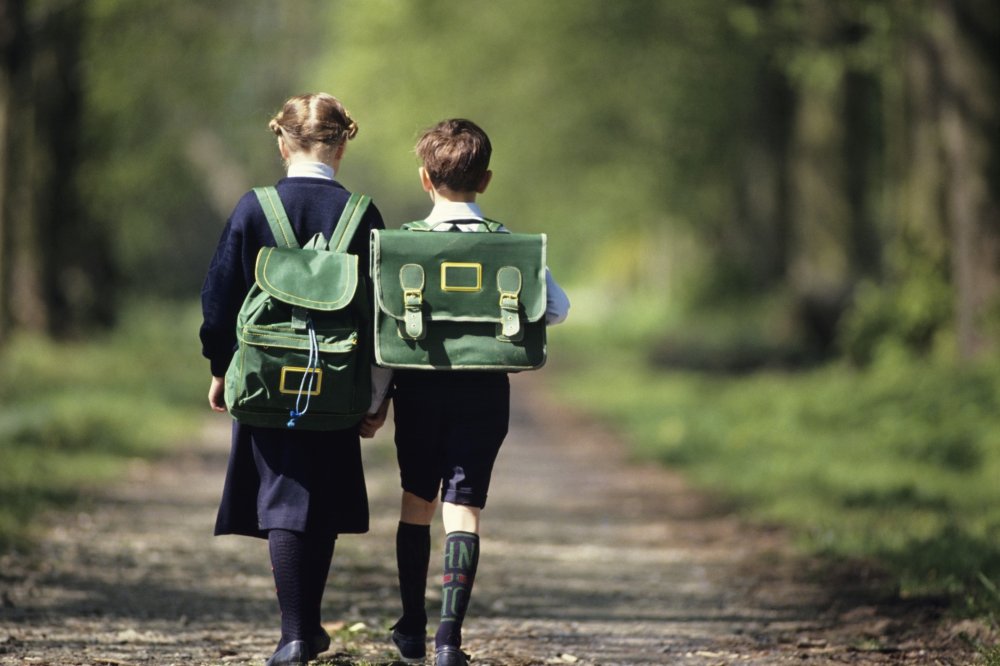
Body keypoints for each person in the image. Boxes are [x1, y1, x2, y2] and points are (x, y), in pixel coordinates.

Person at [200, 93, 391, 666]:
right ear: (344, 143)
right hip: (337, 381)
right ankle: (305, 628)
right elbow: (383, 316)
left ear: (281, 142)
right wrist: (377, 396)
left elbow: (219, 298)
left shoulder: (254, 209)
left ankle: (295, 633)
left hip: (264, 378)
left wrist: (220, 367)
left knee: (282, 498)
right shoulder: (363, 213)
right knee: (321, 500)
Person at [380, 119, 570, 666]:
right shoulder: (510, 247)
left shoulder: (402, 248)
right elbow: (556, 309)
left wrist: (374, 404)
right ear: (485, 181)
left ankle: (411, 628)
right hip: (484, 395)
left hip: (418, 389)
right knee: (464, 510)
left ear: (423, 179)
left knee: (417, 500)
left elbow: (382, 337)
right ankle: (449, 641)